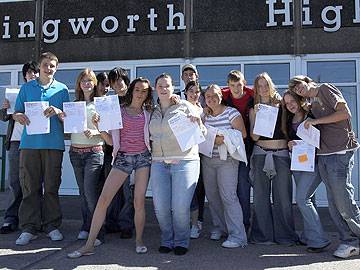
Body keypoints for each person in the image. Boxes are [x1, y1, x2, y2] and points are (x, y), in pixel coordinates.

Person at [67, 77, 153, 258]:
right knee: (103, 200)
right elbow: (110, 142)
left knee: (138, 202)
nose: (140, 93)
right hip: (122, 158)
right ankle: (89, 244)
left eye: (144, 91)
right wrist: (100, 127)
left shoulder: (149, 112)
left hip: (143, 159)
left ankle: (139, 241)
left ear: (148, 94)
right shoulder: (119, 111)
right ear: (131, 91)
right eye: (137, 89)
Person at [288, 76, 360, 259]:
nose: (298, 89)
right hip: (324, 155)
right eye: (295, 89)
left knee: (343, 198)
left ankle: (354, 239)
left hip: (340, 152)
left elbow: (345, 113)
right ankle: (348, 240)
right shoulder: (311, 104)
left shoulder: (326, 88)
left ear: (307, 80)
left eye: (299, 85)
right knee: (333, 201)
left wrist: (316, 121)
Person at [13, 52, 70, 245]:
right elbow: (16, 112)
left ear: (57, 67)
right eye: (45, 65)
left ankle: (52, 226)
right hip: (29, 145)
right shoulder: (27, 87)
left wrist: (58, 111)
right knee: (30, 187)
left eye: (52, 65)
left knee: (52, 187)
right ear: (39, 66)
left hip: (53, 145)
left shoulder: (62, 89)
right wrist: (18, 116)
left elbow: (69, 118)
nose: (48, 68)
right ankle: (29, 227)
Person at [150, 73, 204, 255]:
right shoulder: (152, 110)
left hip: (185, 161)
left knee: (180, 207)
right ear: (156, 89)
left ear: (173, 88)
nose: (164, 89)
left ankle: (181, 240)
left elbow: (201, 130)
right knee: (161, 207)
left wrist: (198, 123)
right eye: (160, 86)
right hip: (158, 162)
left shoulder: (185, 106)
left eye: (167, 86)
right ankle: (167, 239)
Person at [249, 72, 298, 245]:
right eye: (259, 86)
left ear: (271, 85)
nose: (262, 89)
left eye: (265, 85)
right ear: (255, 89)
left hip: (281, 155)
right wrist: (259, 117)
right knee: (261, 198)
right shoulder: (254, 107)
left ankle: (285, 236)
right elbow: (254, 137)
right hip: (261, 154)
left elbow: (293, 124)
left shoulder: (282, 104)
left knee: (283, 198)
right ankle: (262, 236)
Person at [283, 90, 330, 252]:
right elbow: (291, 138)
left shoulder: (312, 114)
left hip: (314, 164)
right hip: (299, 164)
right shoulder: (289, 118)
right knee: (310, 200)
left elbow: (322, 136)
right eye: (287, 103)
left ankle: (318, 240)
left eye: (292, 101)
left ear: (299, 100)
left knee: (302, 199)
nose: (290, 105)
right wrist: (290, 143)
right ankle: (307, 236)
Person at [201, 84, 248, 248]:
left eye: (214, 95)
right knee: (213, 197)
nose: (211, 99)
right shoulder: (205, 115)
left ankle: (238, 236)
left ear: (221, 96)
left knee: (229, 197)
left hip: (227, 160)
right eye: (208, 96)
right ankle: (220, 228)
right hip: (208, 160)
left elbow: (242, 134)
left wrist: (221, 138)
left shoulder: (231, 113)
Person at [0, 61, 39, 234]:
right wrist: (5, 109)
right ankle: (10, 218)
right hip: (16, 142)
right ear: (24, 76)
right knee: (15, 181)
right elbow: (4, 117)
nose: (32, 75)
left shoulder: (41, 93)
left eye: (35, 72)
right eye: (29, 73)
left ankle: (34, 219)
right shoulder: (15, 92)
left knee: (34, 182)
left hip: (34, 142)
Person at [67, 69, 104, 246]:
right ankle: (86, 226)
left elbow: (111, 129)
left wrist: (96, 130)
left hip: (94, 153)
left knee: (90, 193)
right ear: (79, 85)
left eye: (90, 80)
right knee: (83, 193)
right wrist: (63, 117)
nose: (86, 83)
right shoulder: (74, 105)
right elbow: (70, 129)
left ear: (95, 83)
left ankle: (98, 230)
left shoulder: (101, 104)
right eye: (83, 81)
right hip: (75, 153)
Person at [221, 70, 254, 233]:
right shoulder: (223, 96)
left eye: (239, 84)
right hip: (230, 148)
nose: (236, 88)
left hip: (252, 145)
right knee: (234, 187)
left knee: (245, 185)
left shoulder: (253, 96)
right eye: (232, 85)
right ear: (228, 85)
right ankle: (235, 224)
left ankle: (246, 223)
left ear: (244, 83)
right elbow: (208, 99)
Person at [105, 67, 135, 238]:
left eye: (121, 79)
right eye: (114, 80)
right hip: (111, 151)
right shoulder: (108, 102)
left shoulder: (133, 101)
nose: (118, 83)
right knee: (112, 189)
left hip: (130, 151)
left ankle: (126, 225)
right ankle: (112, 222)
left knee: (127, 190)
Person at [184, 81, 206, 239]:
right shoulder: (180, 106)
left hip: (201, 153)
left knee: (197, 190)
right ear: (185, 92)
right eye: (191, 91)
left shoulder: (204, 111)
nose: (194, 94)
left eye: (197, 91)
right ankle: (185, 223)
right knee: (185, 191)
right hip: (183, 154)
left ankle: (195, 223)